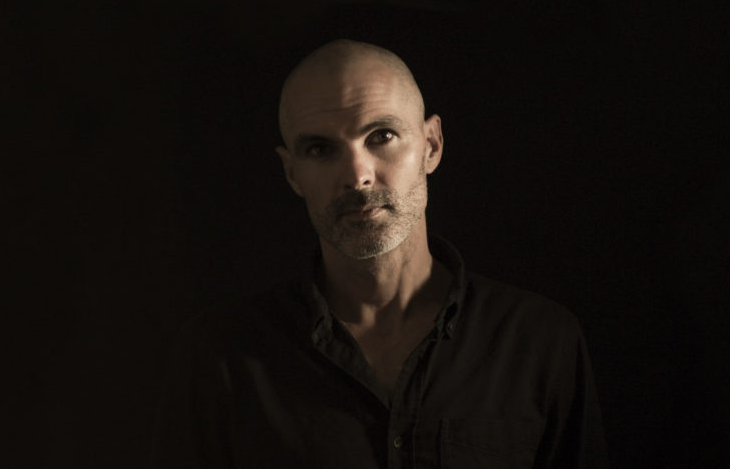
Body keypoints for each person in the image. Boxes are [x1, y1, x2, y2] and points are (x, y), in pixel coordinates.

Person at [151, 39, 608, 468]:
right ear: (292, 173)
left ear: (431, 145)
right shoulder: (219, 357)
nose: (356, 175)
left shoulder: (538, 340)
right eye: (320, 148)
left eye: (381, 136)